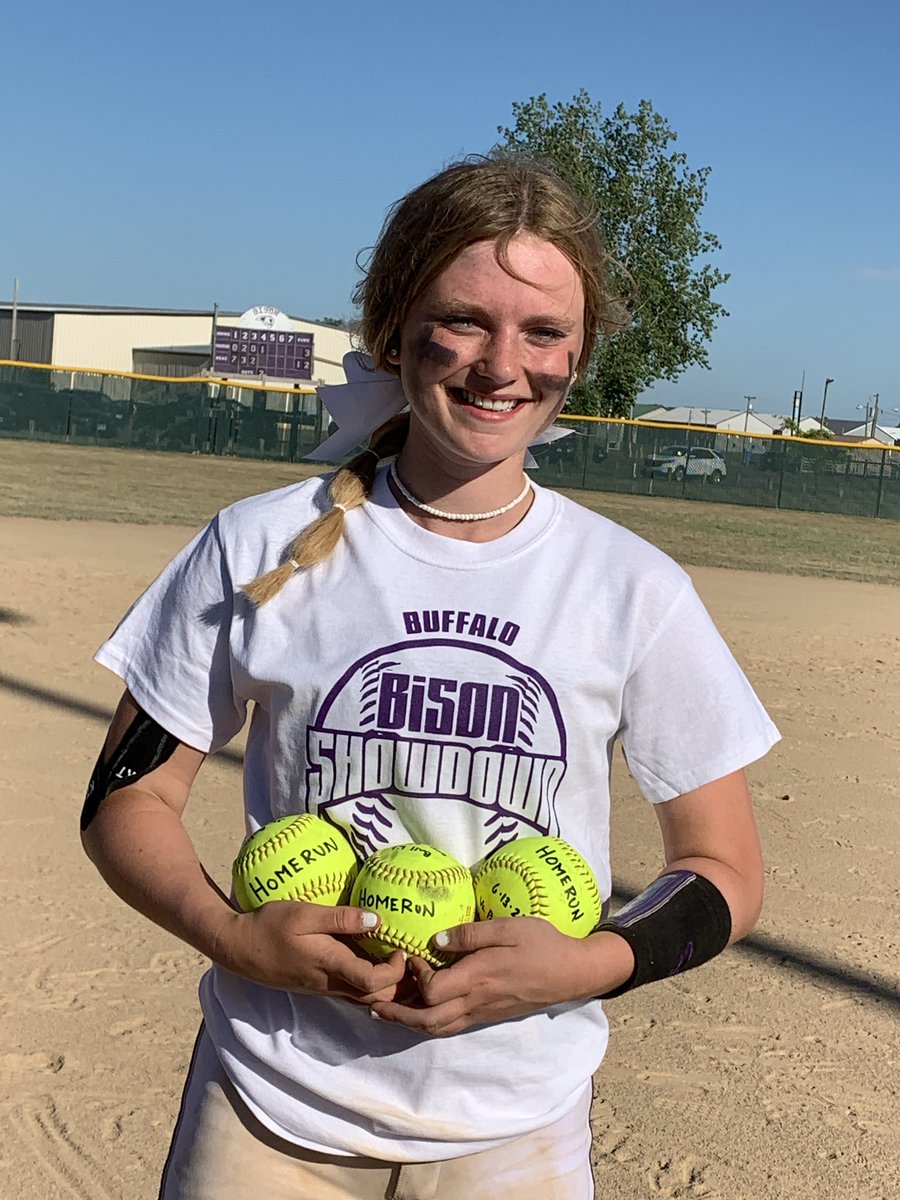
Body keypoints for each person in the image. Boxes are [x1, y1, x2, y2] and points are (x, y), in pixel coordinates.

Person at [82, 155, 779, 1200]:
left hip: (517, 1124)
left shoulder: (632, 585)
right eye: (464, 320)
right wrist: (236, 936)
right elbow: (122, 799)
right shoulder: (255, 544)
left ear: (579, 351)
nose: (504, 365)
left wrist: (587, 964)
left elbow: (725, 869)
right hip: (274, 1101)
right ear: (395, 326)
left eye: (543, 331)